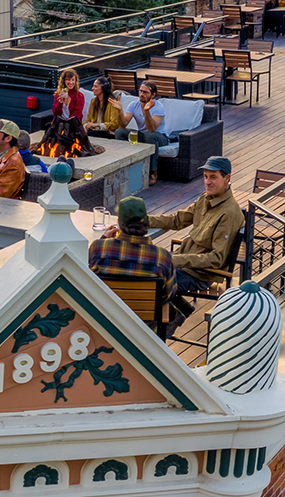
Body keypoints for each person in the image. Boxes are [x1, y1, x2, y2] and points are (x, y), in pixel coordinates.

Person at [147, 156, 245, 331]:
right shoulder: (205, 199)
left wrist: (175, 260)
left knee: (152, 281)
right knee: (145, 269)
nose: (207, 181)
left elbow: (216, 259)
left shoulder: (229, 213)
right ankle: (176, 312)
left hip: (199, 274)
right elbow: (178, 220)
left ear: (227, 178)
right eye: (206, 176)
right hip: (181, 264)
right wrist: (145, 220)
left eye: (213, 177)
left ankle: (159, 329)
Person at [89, 196, 181, 338]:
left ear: (119, 222)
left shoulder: (99, 248)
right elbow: (168, 295)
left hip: (107, 328)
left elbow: (90, 280)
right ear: (147, 222)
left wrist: (103, 239)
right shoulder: (162, 257)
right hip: (144, 334)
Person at [111, 81, 169, 186]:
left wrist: (146, 112)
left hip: (160, 137)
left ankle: (152, 172)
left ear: (153, 95)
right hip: (144, 135)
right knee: (120, 132)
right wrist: (119, 111)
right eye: (141, 91)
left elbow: (152, 129)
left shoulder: (158, 107)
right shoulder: (134, 105)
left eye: (145, 92)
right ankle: (122, 166)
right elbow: (123, 125)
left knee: (150, 136)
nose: (142, 94)